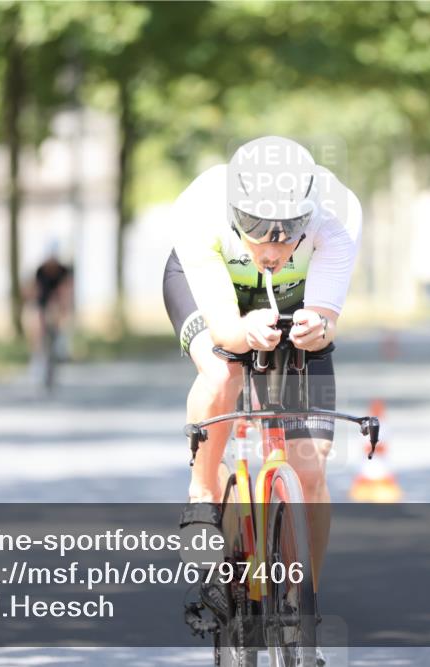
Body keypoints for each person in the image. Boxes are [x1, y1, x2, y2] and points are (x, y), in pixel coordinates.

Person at [163, 136, 362, 614]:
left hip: (293, 297)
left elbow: (325, 317)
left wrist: (317, 327)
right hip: (215, 292)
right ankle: (204, 495)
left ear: (309, 214)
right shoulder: (199, 209)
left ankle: (302, 600)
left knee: (310, 467)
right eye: (255, 228)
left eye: (288, 230)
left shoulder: (339, 215)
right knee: (222, 371)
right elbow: (228, 332)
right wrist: (241, 333)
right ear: (234, 212)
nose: (271, 244)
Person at [25, 239, 74, 370]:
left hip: (58, 299)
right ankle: (37, 355)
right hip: (43, 299)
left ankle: (61, 342)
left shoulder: (64, 270)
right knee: (36, 322)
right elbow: (34, 289)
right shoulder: (40, 270)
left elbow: (67, 289)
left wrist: (63, 304)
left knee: (62, 312)